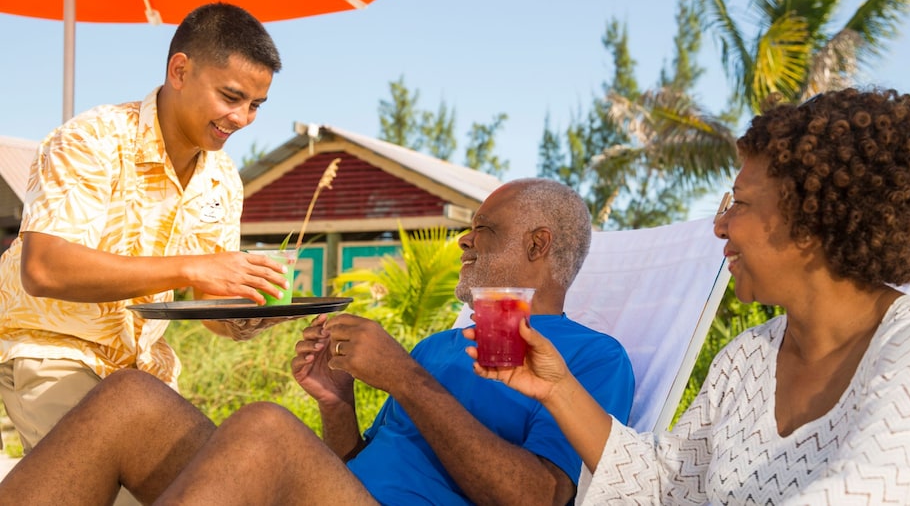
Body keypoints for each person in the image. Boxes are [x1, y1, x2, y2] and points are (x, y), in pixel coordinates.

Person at [471, 89, 910, 504]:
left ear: (809, 221)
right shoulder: (747, 359)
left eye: (739, 203)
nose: (719, 226)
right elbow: (665, 487)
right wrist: (557, 387)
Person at [0, 177, 636, 505]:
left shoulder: (591, 358)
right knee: (132, 398)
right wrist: (338, 403)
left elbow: (540, 499)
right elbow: (358, 468)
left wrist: (405, 380)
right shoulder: (446, 347)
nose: (465, 241)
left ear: (538, 245)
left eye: (483, 230)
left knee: (268, 430)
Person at [0, 2, 290, 456]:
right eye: (231, 97)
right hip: (55, 355)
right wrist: (193, 269)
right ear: (179, 71)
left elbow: (207, 298)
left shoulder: (223, 179)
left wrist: (243, 317)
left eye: (256, 105)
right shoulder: (90, 139)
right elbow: (43, 269)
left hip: (145, 373)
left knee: (214, 483)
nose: (242, 118)